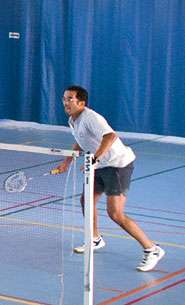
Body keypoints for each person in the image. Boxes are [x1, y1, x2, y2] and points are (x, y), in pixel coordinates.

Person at [50, 85, 164, 272]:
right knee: (86, 201)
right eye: (64, 98)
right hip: (100, 165)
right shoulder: (73, 120)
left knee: (115, 214)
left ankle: (151, 249)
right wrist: (67, 161)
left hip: (117, 165)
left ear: (81, 103)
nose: (65, 102)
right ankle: (95, 239)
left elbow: (110, 136)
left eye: (70, 99)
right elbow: (82, 139)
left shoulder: (91, 117)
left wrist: (95, 158)